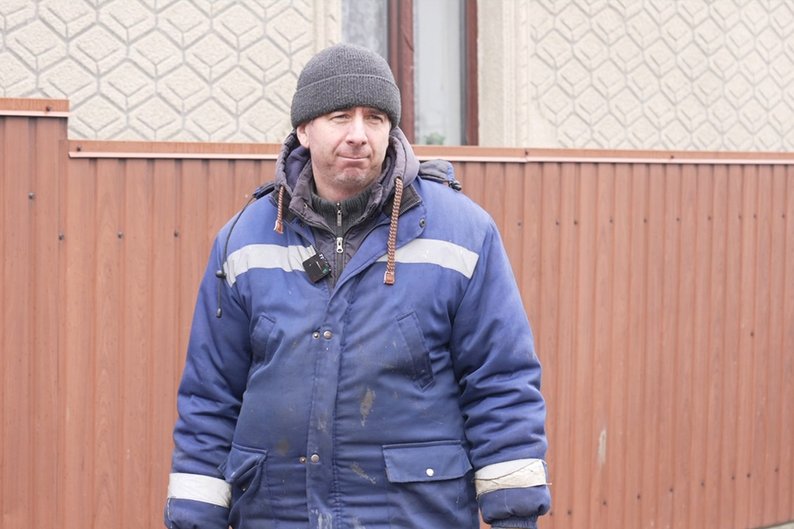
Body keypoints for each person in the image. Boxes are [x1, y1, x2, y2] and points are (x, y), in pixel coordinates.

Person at [164, 43, 551, 529]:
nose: (358, 135)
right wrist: (195, 516)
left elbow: (501, 381)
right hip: (278, 515)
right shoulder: (244, 239)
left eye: (375, 118)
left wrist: (515, 514)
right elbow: (211, 395)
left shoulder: (463, 232)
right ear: (304, 130)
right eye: (340, 117)